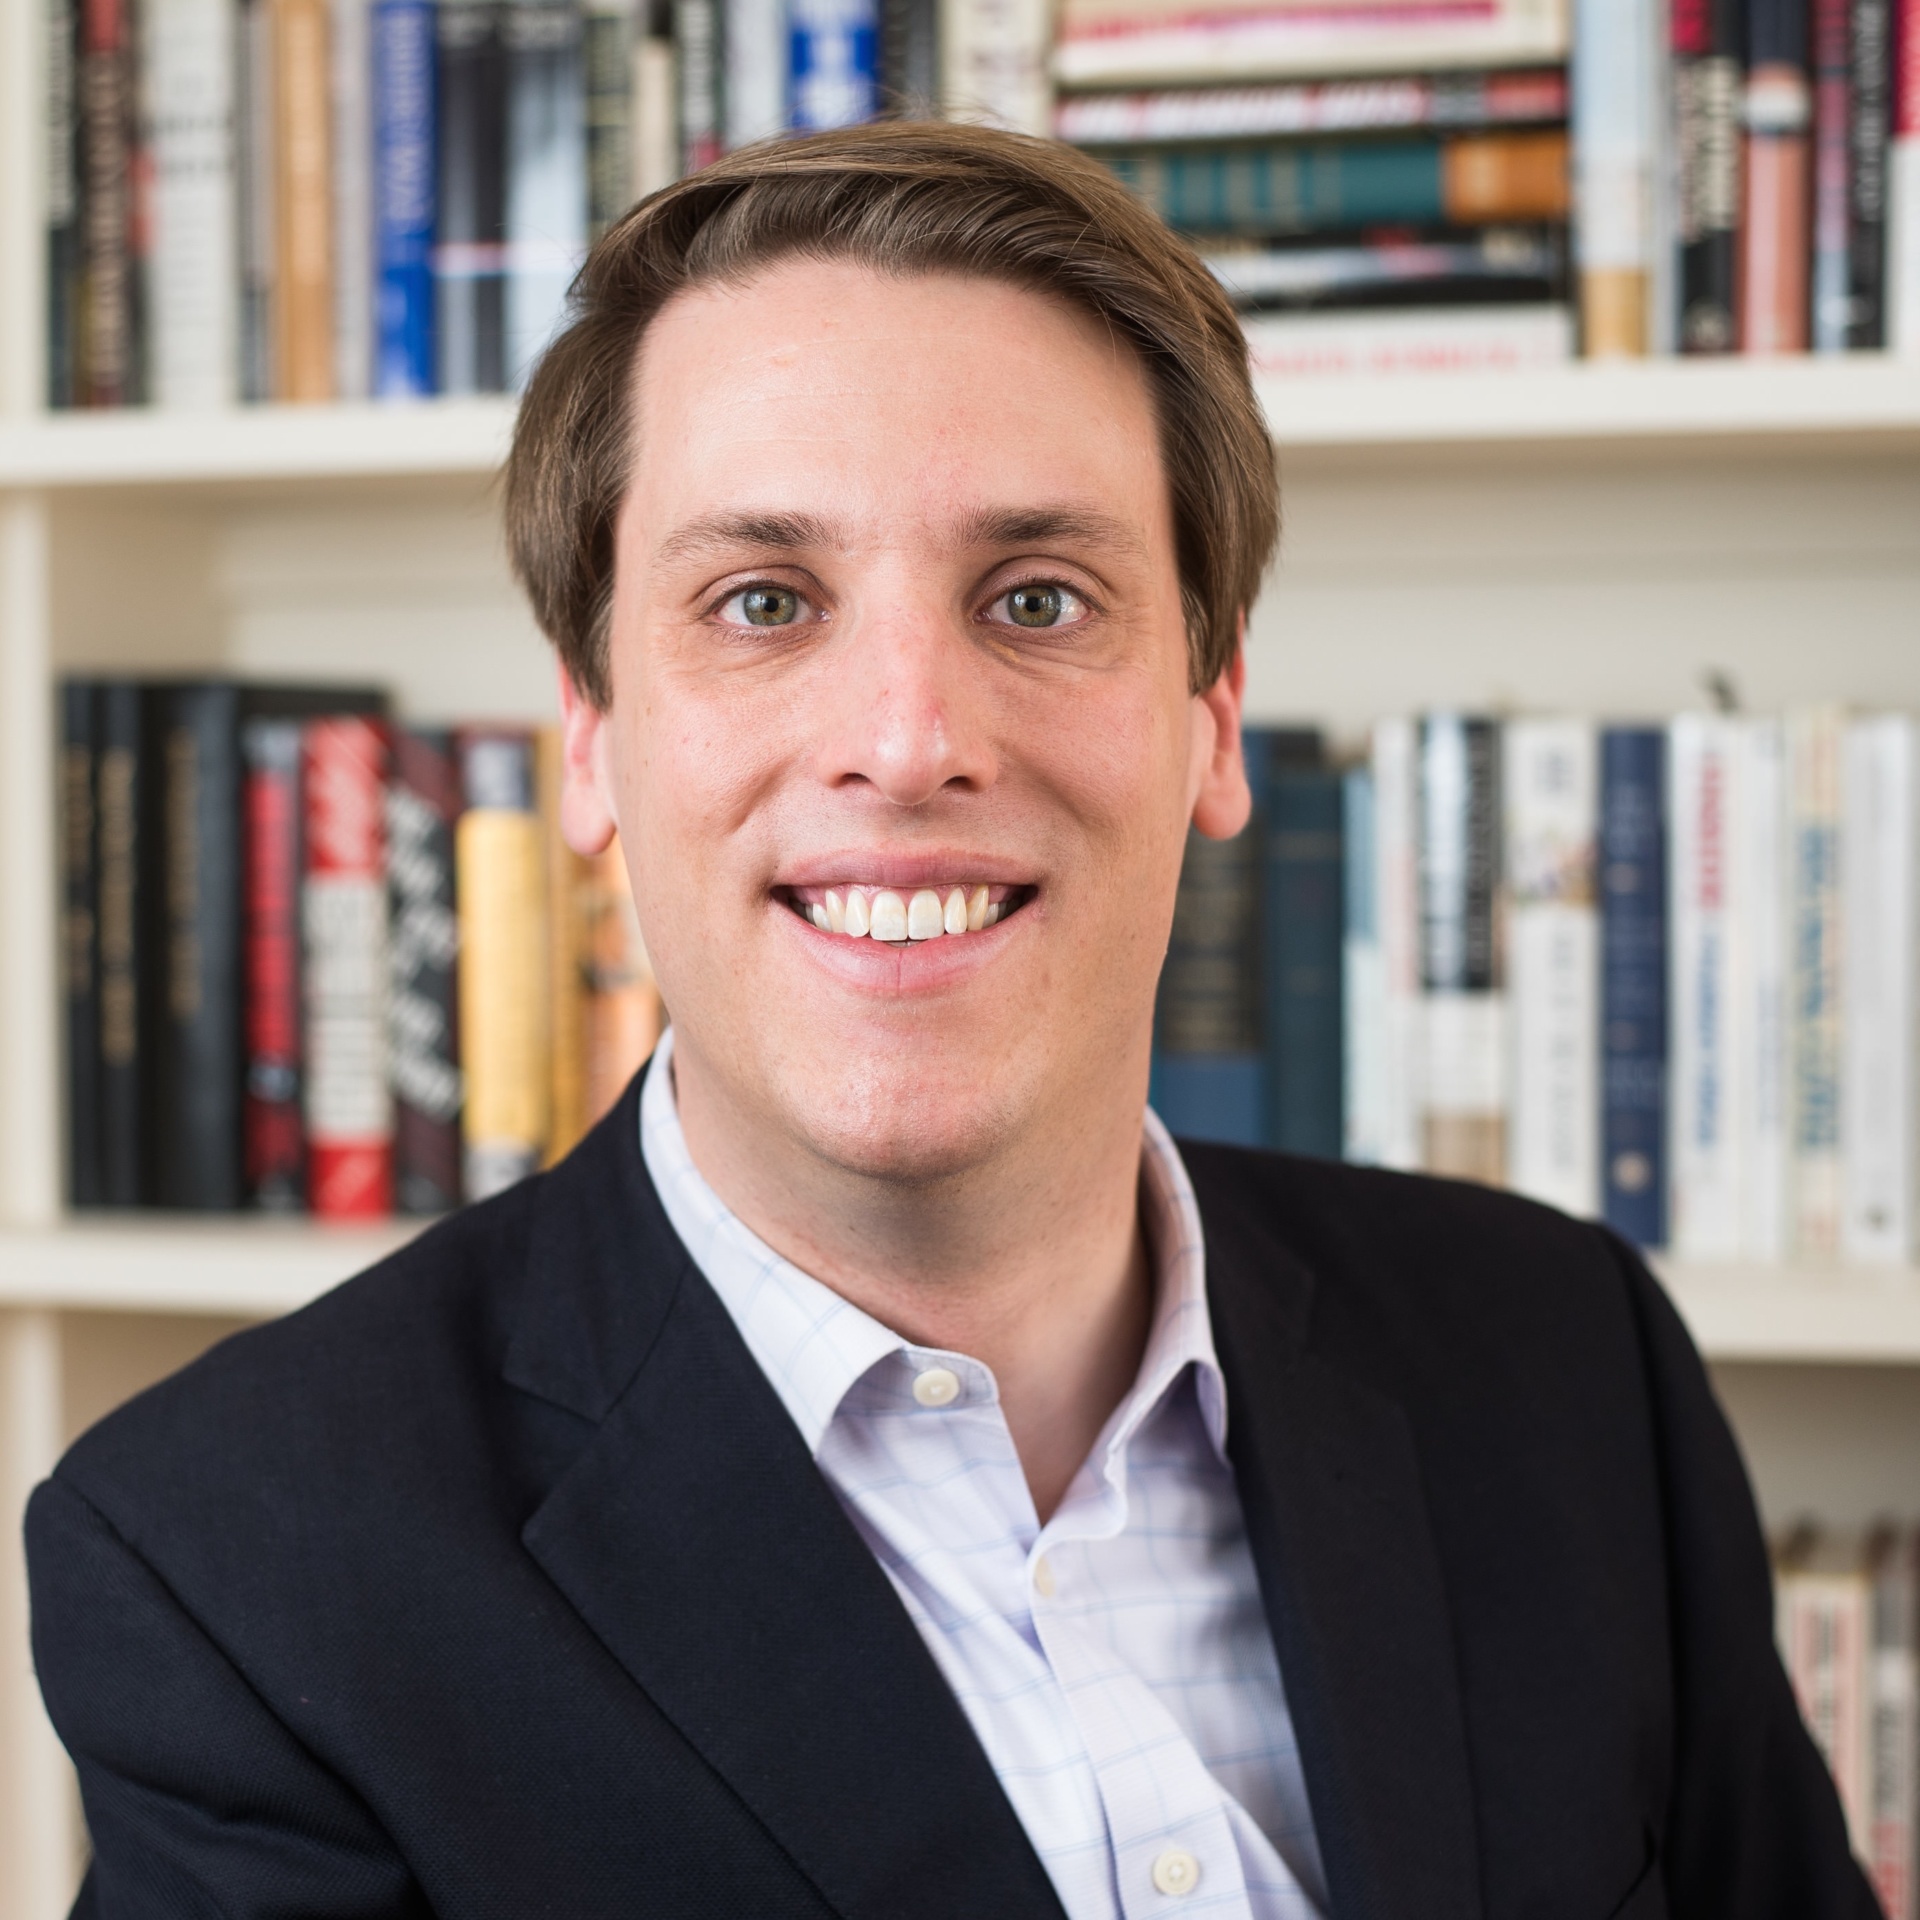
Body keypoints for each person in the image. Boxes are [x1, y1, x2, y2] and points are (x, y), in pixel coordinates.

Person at [28, 122, 1874, 1920]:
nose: (910, 741)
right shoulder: (240, 1567)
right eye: (763, 601)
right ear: (589, 736)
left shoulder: (1566, 1359)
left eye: (1039, 596)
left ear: (1213, 716)